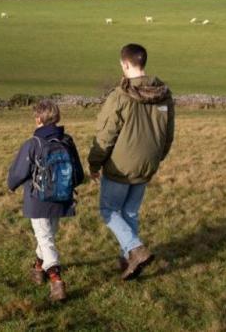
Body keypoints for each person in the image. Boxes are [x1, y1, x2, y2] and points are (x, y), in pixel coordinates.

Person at [89, 43, 175, 280]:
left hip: (120, 167)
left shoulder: (120, 97)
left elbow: (105, 135)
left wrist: (94, 163)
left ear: (125, 64)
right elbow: (168, 135)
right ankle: (128, 260)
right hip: (147, 165)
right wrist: (155, 159)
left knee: (108, 210)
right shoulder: (164, 96)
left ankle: (135, 250)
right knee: (130, 212)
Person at [8, 99, 84, 302]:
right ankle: (37, 269)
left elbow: (17, 173)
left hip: (38, 201)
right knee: (46, 237)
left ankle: (56, 281)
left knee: (45, 239)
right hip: (62, 200)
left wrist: (11, 185)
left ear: (39, 119)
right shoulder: (67, 141)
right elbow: (79, 174)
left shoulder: (33, 143)